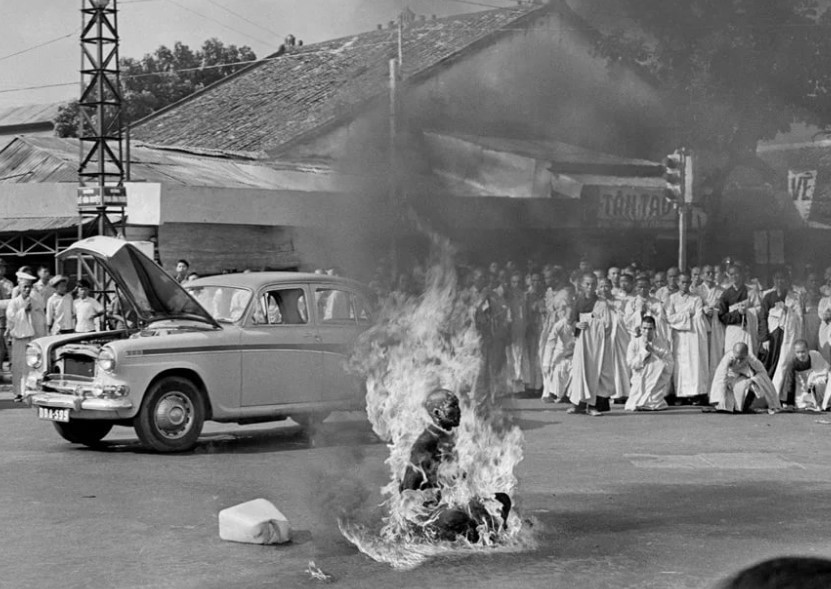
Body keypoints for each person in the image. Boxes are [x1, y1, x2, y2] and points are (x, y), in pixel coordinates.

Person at [399, 389, 511, 543]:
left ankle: (491, 534)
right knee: (458, 517)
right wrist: (429, 502)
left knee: (501, 500)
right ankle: (475, 536)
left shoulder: (448, 438)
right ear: (438, 413)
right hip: (428, 515)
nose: (458, 411)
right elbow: (407, 491)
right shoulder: (425, 443)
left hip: (448, 503)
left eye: (458, 406)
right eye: (452, 407)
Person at [567, 273, 614, 415]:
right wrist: (577, 324)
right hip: (582, 342)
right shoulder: (577, 301)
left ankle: (593, 406)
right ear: (581, 285)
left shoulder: (602, 303)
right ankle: (578, 405)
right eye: (587, 284)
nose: (590, 287)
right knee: (580, 371)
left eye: (593, 284)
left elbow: (607, 325)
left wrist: (594, 323)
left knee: (595, 372)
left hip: (596, 344)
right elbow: (571, 321)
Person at [757, 270, 804, 398]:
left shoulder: (794, 297)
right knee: (769, 363)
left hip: (788, 336)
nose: (780, 281)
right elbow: (762, 318)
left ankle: (781, 395)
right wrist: (764, 337)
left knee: (784, 363)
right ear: (773, 279)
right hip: (772, 337)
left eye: (782, 278)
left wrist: (787, 310)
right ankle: (765, 396)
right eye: (777, 278)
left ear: (787, 280)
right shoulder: (768, 297)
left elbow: (799, 318)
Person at [666, 273, 710, 403]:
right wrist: (686, 314)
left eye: (687, 282)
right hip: (678, 337)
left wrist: (680, 317)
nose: (685, 285)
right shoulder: (671, 299)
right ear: (678, 283)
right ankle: (681, 394)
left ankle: (695, 394)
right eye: (682, 282)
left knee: (694, 363)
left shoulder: (696, 299)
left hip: (693, 336)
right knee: (680, 364)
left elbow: (697, 318)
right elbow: (669, 318)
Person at [708, 342, 781, 414]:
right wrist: (719, 398)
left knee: (748, 386)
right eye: (737, 358)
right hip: (730, 379)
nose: (739, 361)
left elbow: (762, 372)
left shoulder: (751, 358)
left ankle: (744, 407)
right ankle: (726, 406)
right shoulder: (727, 358)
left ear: (746, 355)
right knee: (726, 389)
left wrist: (755, 380)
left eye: (742, 358)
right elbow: (720, 377)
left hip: (743, 378)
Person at [5, 272, 46, 401]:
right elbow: (11, 318)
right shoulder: (14, 303)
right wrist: (23, 311)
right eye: (25, 287)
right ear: (20, 288)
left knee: (32, 365)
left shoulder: (35, 301)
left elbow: (40, 318)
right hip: (19, 338)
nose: (27, 290)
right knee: (19, 365)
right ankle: (19, 392)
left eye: (29, 287)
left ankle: (31, 390)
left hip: (32, 337)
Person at [625, 316, 673, 411]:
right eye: (645, 328)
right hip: (639, 380)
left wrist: (654, 356)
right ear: (641, 329)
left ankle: (652, 401)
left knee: (654, 402)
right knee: (634, 402)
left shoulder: (661, 344)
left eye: (650, 328)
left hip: (655, 382)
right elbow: (630, 364)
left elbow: (669, 365)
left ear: (654, 329)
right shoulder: (634, 343)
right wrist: (644, 353)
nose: (647, 331)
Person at [598, 277, 630, 403]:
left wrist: (613, 309)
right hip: (603, 338)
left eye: (606, 286)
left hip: (618, 337)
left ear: (611, 287)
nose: (604, 289)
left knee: (620, 363)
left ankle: (621, 393)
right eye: (601, 286)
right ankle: (605, 394)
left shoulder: (620, 301)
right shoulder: (596, 302)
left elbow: (626, 317)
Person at [718, 263, 761, 356]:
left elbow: (759, 308)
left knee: (749, 355)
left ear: (741, 274)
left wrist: (748, 312)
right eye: (731, 274)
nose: (734, 277)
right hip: (733, 329)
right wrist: (738, 313)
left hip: (748, 328)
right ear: (728, 276)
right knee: (732, 355)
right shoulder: (725, 294)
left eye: (737, 273)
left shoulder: (751, 292)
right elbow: (722, 316)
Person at [778, 339, 830, 411]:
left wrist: (813, 377)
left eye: (803, 352)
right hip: (801, 386)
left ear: (807, 350)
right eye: (798, 352)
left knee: (819, 382)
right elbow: (789, 382)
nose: (801, 355)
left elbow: (824, 370)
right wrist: (789, 402)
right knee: (802, 401)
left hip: (816, 382)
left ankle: (823, 403)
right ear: (795, 353)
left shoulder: (815, 356)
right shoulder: (792, 364)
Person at [696, 265, 726, 383]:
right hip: (702, 327)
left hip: (716, 327)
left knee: (716, 356)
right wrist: (703, 308)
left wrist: (716, 309)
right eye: (707, 273)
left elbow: (724, 308)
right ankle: (703, 388)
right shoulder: (697, 291)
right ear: (702, 275)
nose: (710, 275)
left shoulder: (721, 291)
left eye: (713, 272)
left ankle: (714, 388)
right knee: (703, 357)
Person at [505, 272, 528, 394]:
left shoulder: (524, 296)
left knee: (520, 356)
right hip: (511, 330)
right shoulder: (507, 297)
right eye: (514, 282)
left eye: (518, 282)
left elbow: (525, 313)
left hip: (521, 330)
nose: (516, 284)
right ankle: (511, 386)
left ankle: (520, 386)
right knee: (511, 357)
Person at [802, 272, 822, 352]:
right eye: (811, 280)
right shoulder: (803, 297)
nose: (814, 283)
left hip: (821, 326)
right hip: (808, 328)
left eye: (816, 280)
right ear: (807, 282)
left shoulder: (823, 297)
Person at [0, 259, 13, 373]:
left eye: (3, 267)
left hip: (5, 317)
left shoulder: (8, 284)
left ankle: (11, 367)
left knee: (7, 343)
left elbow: (11, 302)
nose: (1, 269)